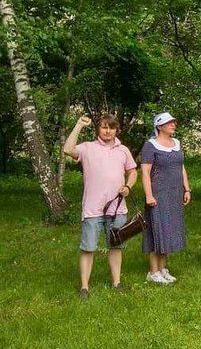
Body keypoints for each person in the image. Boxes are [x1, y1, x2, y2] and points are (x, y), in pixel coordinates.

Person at [63, 114, 138, 298]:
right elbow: (67, 149)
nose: (108, 131)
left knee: (116, 247)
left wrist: (128, 186)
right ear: (98, 129)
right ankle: (84, 288)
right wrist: (79, 125)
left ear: (116, 130)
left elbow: (132, 171)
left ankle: (117, 283)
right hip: (92, 209)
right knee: (88, 247)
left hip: (117, 209)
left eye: (111, 128)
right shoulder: (88, 148)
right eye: (104, 127)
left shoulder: (123, 150)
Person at [141, 112, 190, 284]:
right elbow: (145, 173)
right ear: (159, 126)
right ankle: (153, 272)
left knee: (168, 230)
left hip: (174, 194)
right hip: (158, 194)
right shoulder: (150, 145)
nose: (173, 125)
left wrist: (187, 189)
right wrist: (148, 195)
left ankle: (163, 269)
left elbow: (181, 167)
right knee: (157, 230)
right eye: (169, 123)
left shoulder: (176, 144)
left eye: (174, 122)